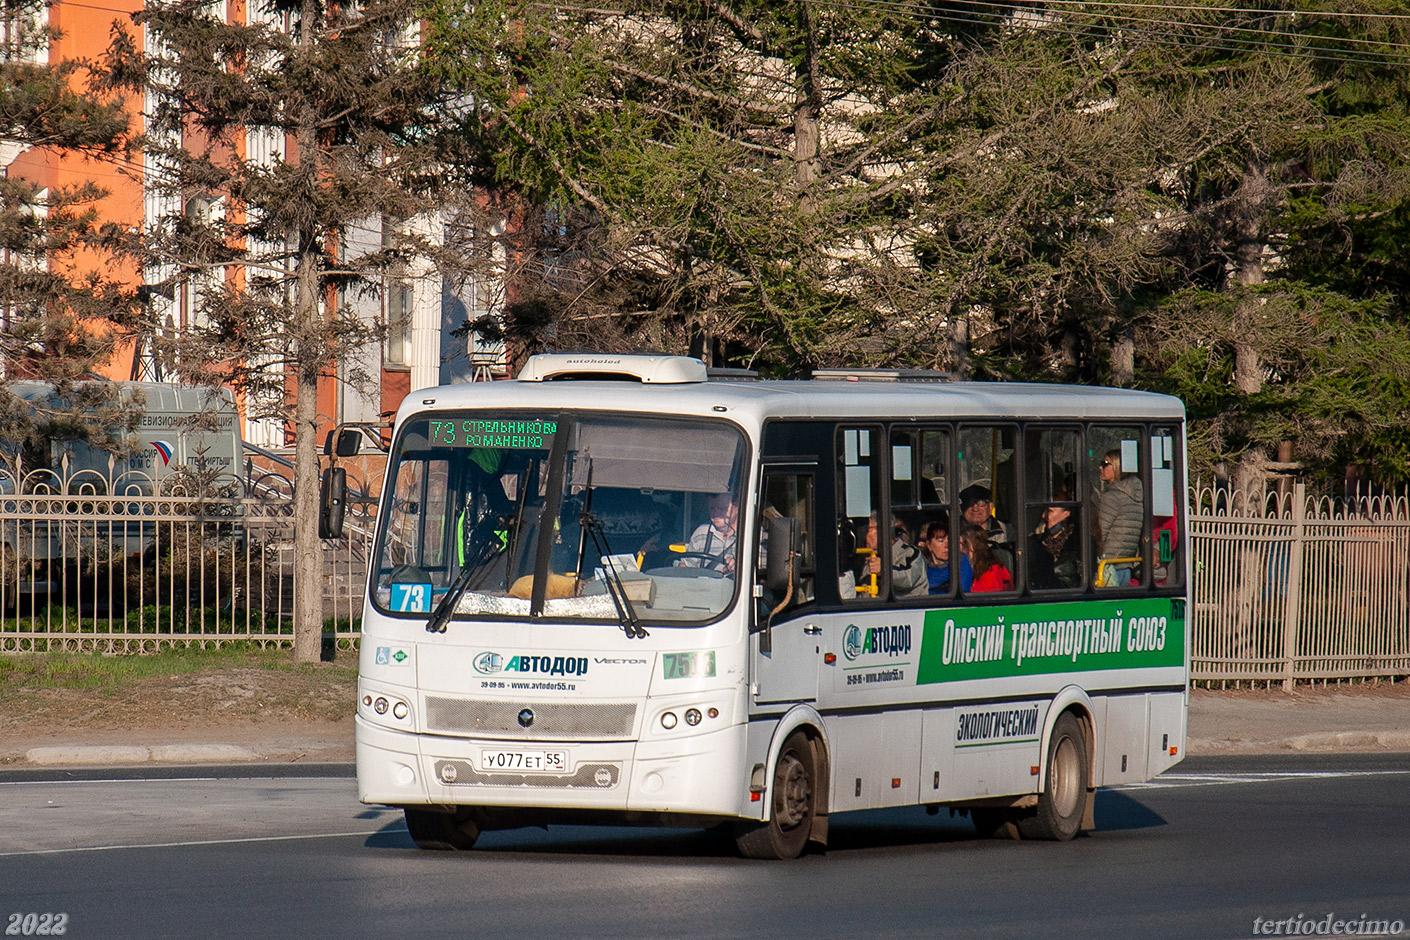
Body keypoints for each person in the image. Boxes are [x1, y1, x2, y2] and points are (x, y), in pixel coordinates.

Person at [1095, 449, 1143, 587]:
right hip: (1126, 568)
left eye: (1105, 464)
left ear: (1117, 466)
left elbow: (1100, 533)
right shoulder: (1135, 495)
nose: (1100, 467)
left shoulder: (1111, 498)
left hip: (1107, 568)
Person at [682, 492, 737, 573]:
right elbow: (686, 566)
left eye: (722, 509)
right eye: (712, 509)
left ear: (738, 508)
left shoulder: (753, 536)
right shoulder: (701, 533)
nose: (716, 513)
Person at [1029, 504, 1080, 589]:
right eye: (1044, 511)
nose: (1043, 515)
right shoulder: (1038, 541)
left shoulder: (1076, 541)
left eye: (1050, 511)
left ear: (1066, 513)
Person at [918, 519, 972, 593]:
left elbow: (963, 588)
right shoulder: (921, 565)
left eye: (949, 541)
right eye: (941, 541)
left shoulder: (961, 561)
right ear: (929, 545)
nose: (947, 546)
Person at [961, 523, 1013, 592]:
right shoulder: (960, 565)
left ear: (975, 546)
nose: (959, 548)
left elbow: (978, 596)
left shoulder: (992, 570)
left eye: (963, 544)